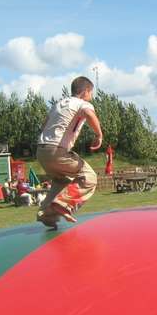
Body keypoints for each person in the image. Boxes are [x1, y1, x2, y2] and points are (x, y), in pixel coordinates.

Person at [35, 75, 103, 229]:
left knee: (61, 181)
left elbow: (44, 125)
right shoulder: (82, 103)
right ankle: (63, 205)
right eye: (91, 93)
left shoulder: (58, 104)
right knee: (89, 177)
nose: (91, 97)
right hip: (57, 151)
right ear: (85, 91)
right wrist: (99, 135)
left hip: (41, 151)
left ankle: (46, 214)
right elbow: (89, 114)